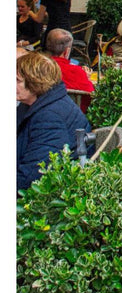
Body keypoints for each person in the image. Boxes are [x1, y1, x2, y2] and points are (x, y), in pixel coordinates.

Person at [17, 52, 92, 192]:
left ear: (35, 82)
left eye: (17, 80)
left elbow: (31, 177)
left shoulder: (50, 117)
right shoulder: (35, 103)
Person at [45, 29, 95, 112]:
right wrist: (87, 78)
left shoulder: (39, 66)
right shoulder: (75, 71)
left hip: (43, 110)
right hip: (72, 113)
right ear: (67, 51)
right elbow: (91, 97)